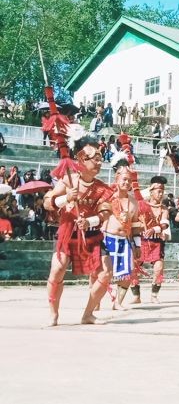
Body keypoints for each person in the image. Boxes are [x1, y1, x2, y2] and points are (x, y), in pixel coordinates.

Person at [43, 128, 114, 326]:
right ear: (81, 158)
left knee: (106, 273)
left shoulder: (102, 188)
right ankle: (53, 314)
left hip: (92, 234)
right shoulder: (68, 180)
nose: (99, 162)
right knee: (57, 269)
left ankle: (88, 314)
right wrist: (66, 198)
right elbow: (47, 202)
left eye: (100, 157)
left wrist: (90, 221)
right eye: (95, 158)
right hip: (68, 231)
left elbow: (106, 212)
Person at [105, 167, 141, 311]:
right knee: (101, 272)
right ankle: (96, 301)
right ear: (117, 179)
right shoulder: (108, 197)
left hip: (125, 240)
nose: (127, 182)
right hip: (107, 237)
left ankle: (117, 302)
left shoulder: (134, 202)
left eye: (129, 180)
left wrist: (137, 245)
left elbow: (136, 225)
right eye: (124, 179)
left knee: (129, 272)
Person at [133, 176, 170, 303]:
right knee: (133, 267)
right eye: (158, 190)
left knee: (159, 268)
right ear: (151, 191)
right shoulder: (141, 205)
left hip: (157, 242)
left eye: (162, 191)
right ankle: (136, 296)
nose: (161, 193)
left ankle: (154, 295)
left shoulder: (164, 208)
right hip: (141, 241)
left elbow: (165, 224)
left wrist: (155, 229)